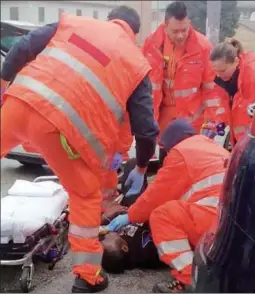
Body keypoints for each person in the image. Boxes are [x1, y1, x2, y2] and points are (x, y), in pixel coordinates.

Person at [0, 5, 159, 293]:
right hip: (61, 129)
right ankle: (87, 276)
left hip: (18, 103)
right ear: (133, 33)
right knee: (85, 195)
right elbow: (146, 130)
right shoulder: (135, 62)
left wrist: (2, 87)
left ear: (111, 20)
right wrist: (143, 166)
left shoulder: (73, 23)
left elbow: (22, 48)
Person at [106, 118, 229, 293]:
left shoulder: (182, 153)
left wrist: (130, 216)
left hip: (216, 222)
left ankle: (190, 279)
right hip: (233, 222)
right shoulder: (213, 148)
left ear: (173, 143)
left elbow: (157, 195)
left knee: (162, 216)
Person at [141, 1, 222, 159]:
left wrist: (213, 121)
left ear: (189, 23)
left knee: (189, 164)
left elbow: (213, 90)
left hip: (191, 123)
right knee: (166, 163)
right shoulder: (151, 45)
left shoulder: (203, 47)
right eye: (175, 31)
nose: (180, 35)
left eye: (184, 30)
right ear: (165, 26)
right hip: (162, 119)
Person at [208, 38, 255, 145]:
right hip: (239, 141)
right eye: (215, 71)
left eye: (222, 71)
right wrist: (219, 122)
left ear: (236, 61)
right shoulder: (222, 78)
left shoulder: (254, 76)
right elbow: (224, 103)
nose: (218, 75)